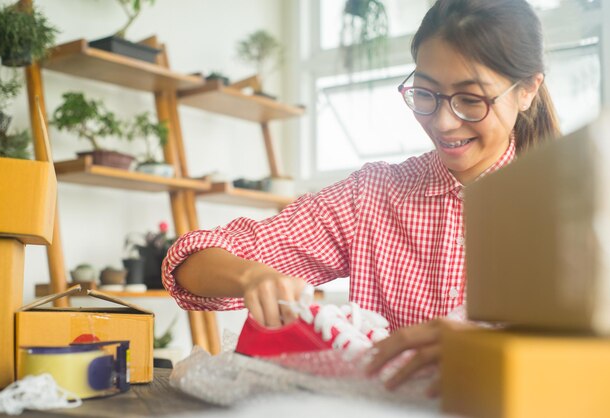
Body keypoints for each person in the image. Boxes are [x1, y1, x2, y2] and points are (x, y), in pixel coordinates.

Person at [163, 0, 560, 395]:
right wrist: (252, 275)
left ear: (527, 90)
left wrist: (484, 352)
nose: (442, 122)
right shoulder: (371, 197)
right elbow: (189, 263)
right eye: (425, 93)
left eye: (471, 100)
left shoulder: (568, 206)